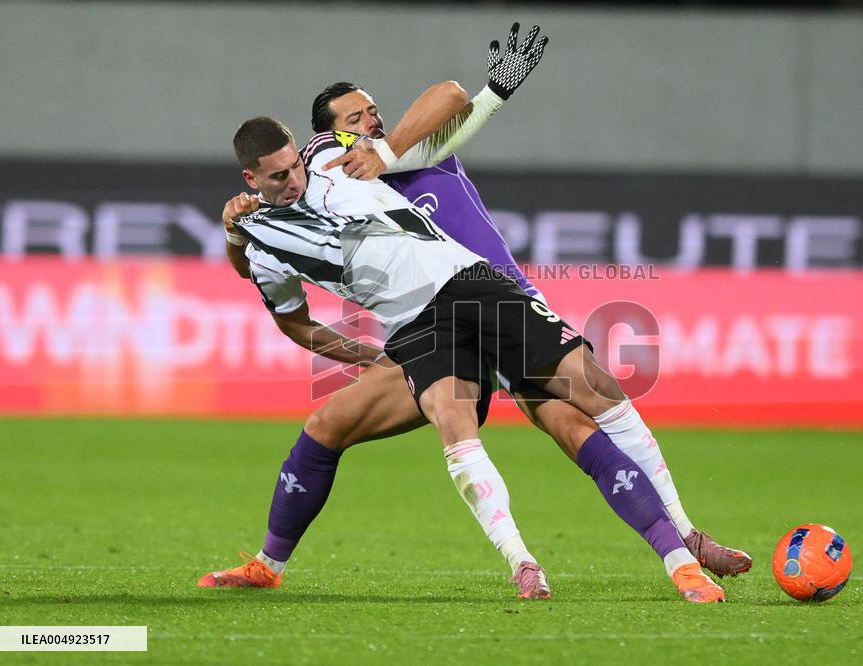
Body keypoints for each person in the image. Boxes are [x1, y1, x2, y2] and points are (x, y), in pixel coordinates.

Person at [201, 25, 747, 603]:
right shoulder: (332, 167)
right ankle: (269, 562)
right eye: (357, 118)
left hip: (488, 296)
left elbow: (451, 104)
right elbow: (265, 269)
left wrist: (493, 92)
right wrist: (238, 231)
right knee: (327, 425)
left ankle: (682, 541)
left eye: (374, 112)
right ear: (326, 135)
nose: (373, 123)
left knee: (577, 419)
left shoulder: (389, 156)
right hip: (424, 323)